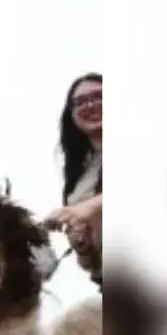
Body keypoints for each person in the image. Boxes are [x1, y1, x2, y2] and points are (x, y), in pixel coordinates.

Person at [45, 72, 102, 284]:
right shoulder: (78, 181)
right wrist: (83, 247)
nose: (90, 105)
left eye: (99, 96)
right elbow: (90, 264)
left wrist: (83, 209)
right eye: (80, 102)